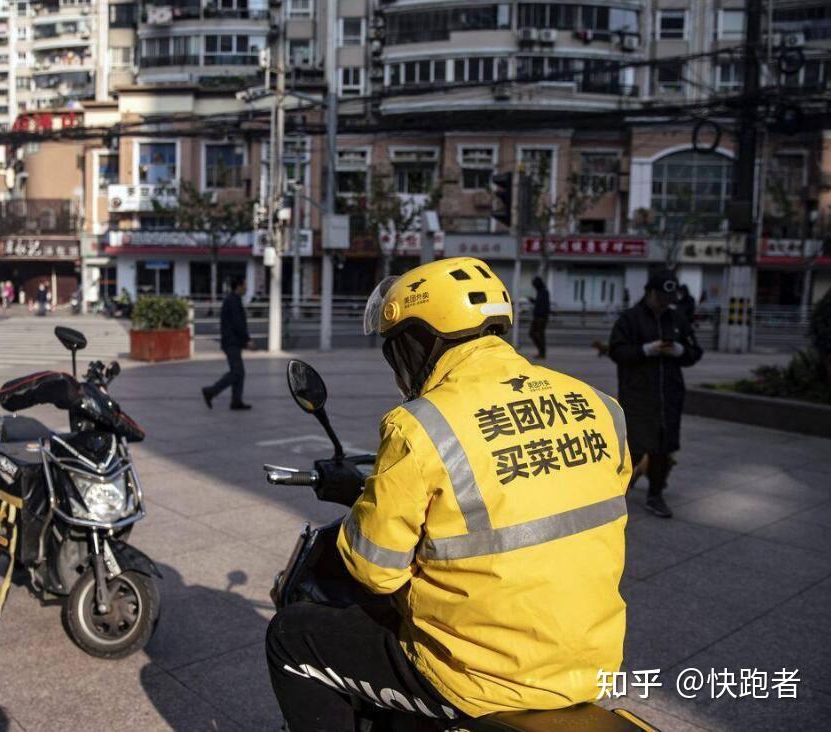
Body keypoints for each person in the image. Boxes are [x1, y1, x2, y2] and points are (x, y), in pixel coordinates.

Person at [266, 257, 630, 730]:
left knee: (291, 637)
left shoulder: (421, 426)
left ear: (420, 342)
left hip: (481, 676)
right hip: (589, 663)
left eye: (396, 348)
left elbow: (375, 573)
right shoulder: (600, 405)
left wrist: (362, 507)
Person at [608, 267, 703, 518]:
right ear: (649, 292)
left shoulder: (677, 319)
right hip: (638, 394)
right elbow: (617, 352)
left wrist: (680, 351)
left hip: (669, 394)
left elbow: (695, 352)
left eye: (669, 301)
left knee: (663, 448)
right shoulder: (630, 319)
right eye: (660, 299)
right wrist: (646, 350)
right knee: (633, 448)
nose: (664, 305)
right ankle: (617, 495)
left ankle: (656, 494)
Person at [201, 276, 253, 410]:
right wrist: (247, 339)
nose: (247, 288)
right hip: (232, 342)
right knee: (237, 372)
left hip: (232, 342)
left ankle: (236, 401)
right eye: (245, 285)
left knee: (239, 372)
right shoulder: (233, 301)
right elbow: (237, 323)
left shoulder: (233, 299)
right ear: (239, 286)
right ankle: (211, 391)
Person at [528, 275, 550, 359]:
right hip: (538, 316)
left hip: (541, 317)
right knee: (533, 333)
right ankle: (541, 352)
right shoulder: (540, 291)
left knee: (539, 334)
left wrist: (540, 314)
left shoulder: (544, 292)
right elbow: (540, 303)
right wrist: (533, 301)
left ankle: (542, 352)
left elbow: (543, 305)